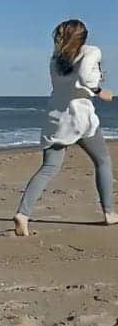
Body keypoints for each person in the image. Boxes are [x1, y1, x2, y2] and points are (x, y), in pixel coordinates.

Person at [13, 19, 116, 236]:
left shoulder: (55, 60)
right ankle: (109, 213)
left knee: (49, 168)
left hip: (56, 119)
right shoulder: (91, 52)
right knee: (103, 161)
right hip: (79, 119)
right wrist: (99, 90)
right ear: (83, 36)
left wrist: (95, 79)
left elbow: (76, 79)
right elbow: (86, 76)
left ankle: (23, 214)